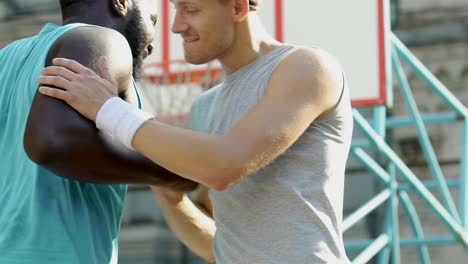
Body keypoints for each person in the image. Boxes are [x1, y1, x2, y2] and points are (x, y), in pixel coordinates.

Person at [38, 0, 353, 263]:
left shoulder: (307, 67)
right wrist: (171, 199)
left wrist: (109, 109)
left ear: (238, 7)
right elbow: (223, 247)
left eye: (191, 9)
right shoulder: (206, 106)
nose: (176, 26)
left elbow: (226, 165)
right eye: (176, 9)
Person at [0, 0, 198, 263]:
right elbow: (54, 141)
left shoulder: (6, 58)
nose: (153, 42)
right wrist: (175, 172)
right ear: (121, 3)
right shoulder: (102, 39)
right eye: (152, 20)